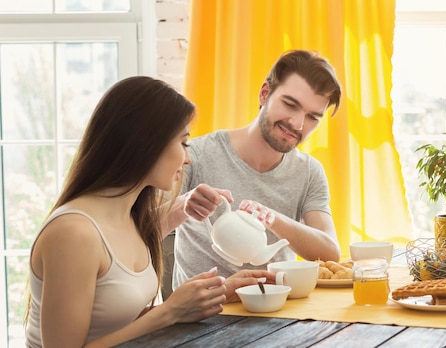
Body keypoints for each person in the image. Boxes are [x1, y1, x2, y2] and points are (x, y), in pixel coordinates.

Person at [25, 76, 276, 348]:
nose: (187, 158)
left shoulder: (129, 219)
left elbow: (118, 322)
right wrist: (170, 311)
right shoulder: (74, 233)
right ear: (145, 143)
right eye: (183, 143)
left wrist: (216, 293)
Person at [170, 49, 343, 289]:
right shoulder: (195, 155)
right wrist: (185, 203)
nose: (298, 124)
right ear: (265, 94)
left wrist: (273, 219)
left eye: (313, 117)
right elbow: (141, 230)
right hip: (202, 317)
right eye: (290, 105)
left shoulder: (309, 172)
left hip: (279, 315)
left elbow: (330, 253)